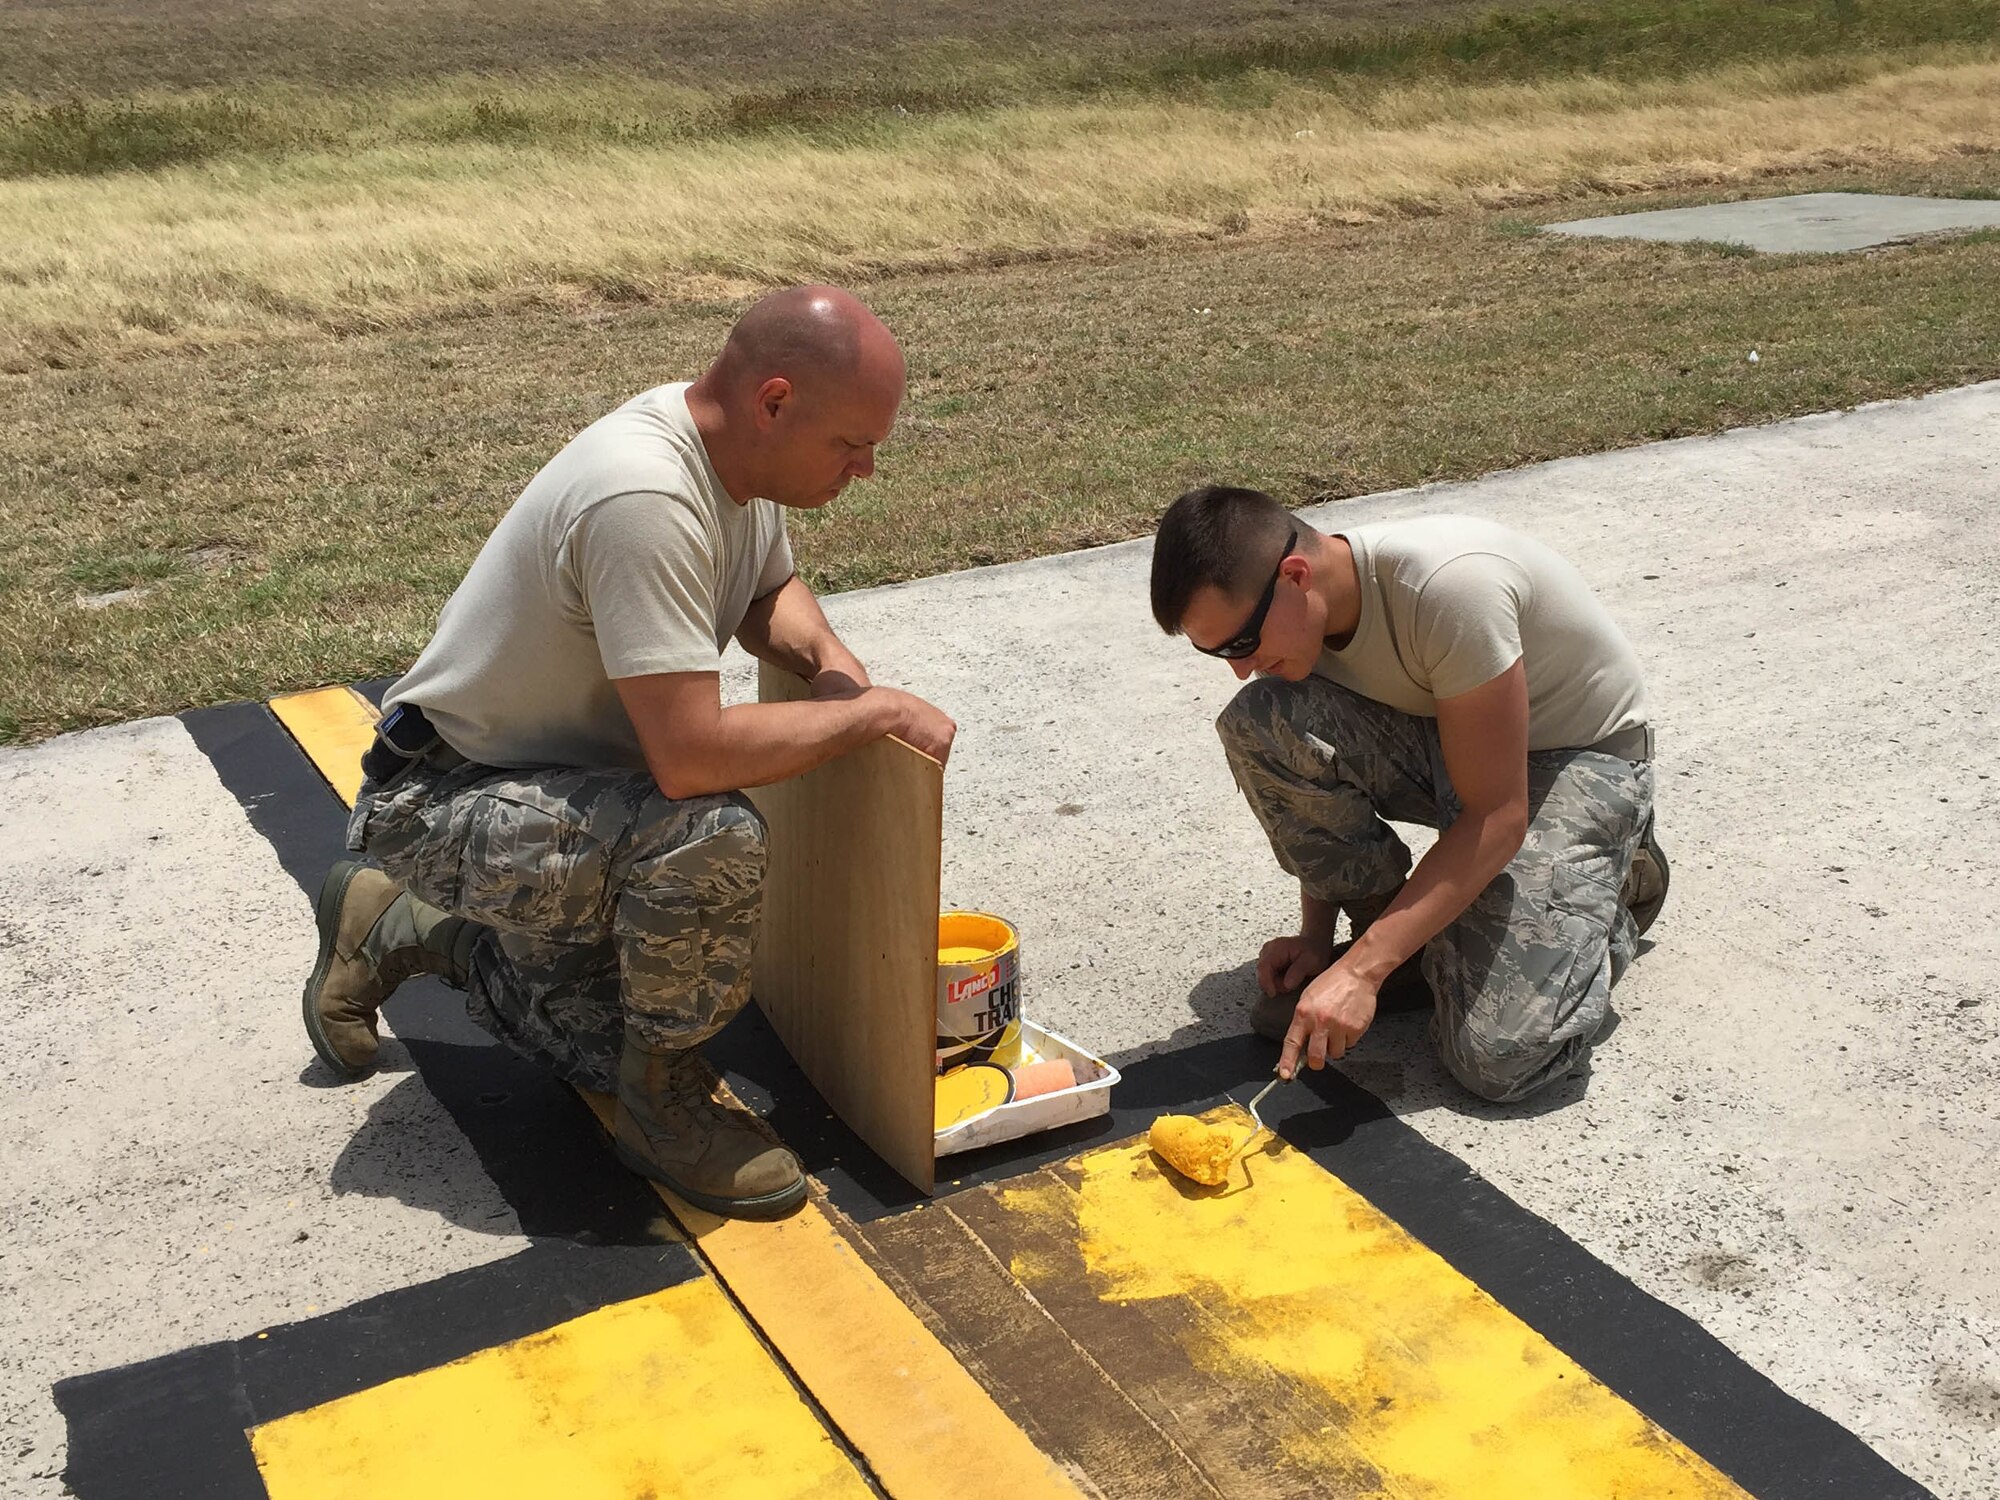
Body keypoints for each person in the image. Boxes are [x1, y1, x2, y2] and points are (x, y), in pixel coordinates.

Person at [301, 286, 955, 1219]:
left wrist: (832, 666)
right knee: (708, 835)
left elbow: (768, 587)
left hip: (549, 785)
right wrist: (867, 717)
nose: (867, 470)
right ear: (775, 401)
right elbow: (691, 757)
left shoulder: (728, 454)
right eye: (853, 445)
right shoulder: (645, 495)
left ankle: (404, 925)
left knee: (588, 1044)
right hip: (445, 797)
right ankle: (663, 1110)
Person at [1149, 486, 1668, 1102]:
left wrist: (1362, 970)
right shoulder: (1303, 618)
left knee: (1503, 1058)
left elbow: (1498, 815)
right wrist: (1320, 940)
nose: (1240, 666)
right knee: (1261, 721)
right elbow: (1311, 779)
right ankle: (1416, 950)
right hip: (1452, 742)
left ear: (1294, 575)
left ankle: (1615, 887)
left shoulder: (1448, 588)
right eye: (1216, 653)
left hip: (1576, 761)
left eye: (1240, 643)